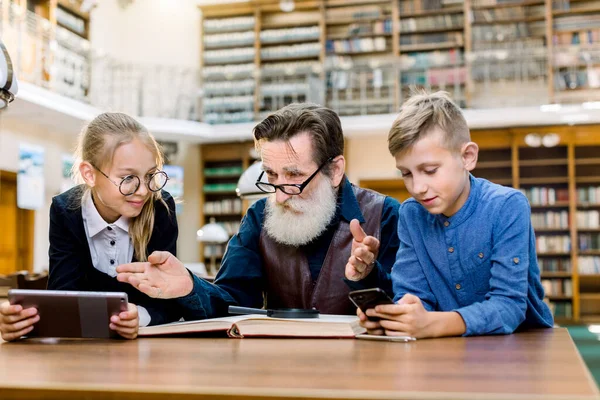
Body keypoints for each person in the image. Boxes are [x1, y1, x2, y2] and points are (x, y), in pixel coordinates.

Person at [115, 103, 400, 318]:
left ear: (335, 170)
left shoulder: (386, 216)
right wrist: (191, 286)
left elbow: (403, 312)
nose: (278, 196)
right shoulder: (257, 217)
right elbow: (234, 303)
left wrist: (367, 276)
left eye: (293, 176)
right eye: (271, 176)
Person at [356, 91, 554, 338]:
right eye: (406, 174)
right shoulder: (411, 214)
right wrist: (395, 319)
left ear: (467, 157)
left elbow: (509, 307)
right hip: (444, 345)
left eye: (429, 170)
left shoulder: (508, 206)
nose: (417, 187)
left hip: (522, 343)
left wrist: (431, 324)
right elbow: (414, 296)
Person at [0, 112, 188, 341]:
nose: (144, 190)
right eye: (128, 177)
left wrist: (140, 317)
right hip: (80, 355)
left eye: (150, 175)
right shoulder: (64, 210)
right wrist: (21, 323)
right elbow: (62, 295)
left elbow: (170, 302)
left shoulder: (160, 207)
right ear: (89, 174)